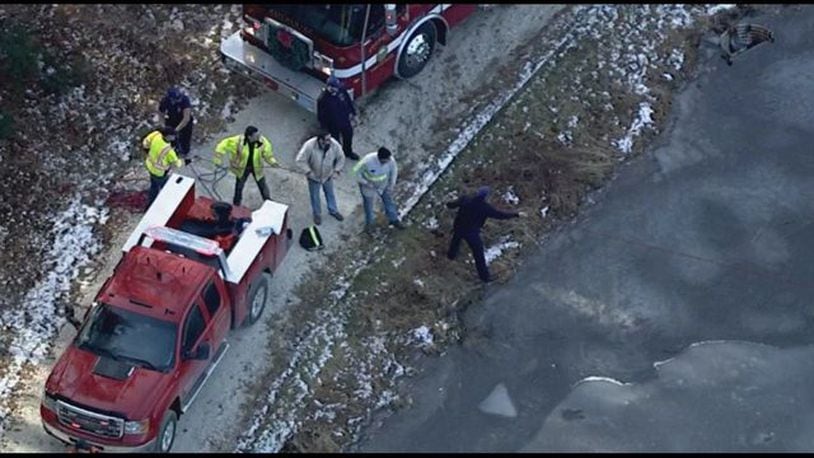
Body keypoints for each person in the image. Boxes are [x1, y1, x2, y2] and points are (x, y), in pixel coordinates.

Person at [446, 186, 523, 283]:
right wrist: (516, 214)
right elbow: (500, 215)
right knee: (478, 254)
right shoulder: (485, 208)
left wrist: (448, 203)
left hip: (458, 227)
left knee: (456, 240)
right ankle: (485, 277)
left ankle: (451, 256)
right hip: (471, 233)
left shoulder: (465, 200)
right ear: (486, 196)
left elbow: (451, 205)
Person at [213, 125, 278, 207]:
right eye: (256, 136)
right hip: (241, 168)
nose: (259, 137)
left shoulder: (262, 142)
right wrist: (217, 159)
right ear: (249, 136)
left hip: (256, 168)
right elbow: (222, 145)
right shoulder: (238, 141)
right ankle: (236, 204)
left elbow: (267, 154)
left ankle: (268, 201)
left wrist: (273, 162)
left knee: (262, 185)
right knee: (239, 187)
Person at [295, 131, 346, 225]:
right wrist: (308, 172)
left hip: (328, 175)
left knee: (330, 193)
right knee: (315, 196)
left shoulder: (334, 145)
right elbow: (299, 160)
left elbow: (341, 157)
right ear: (320, 140)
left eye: (329, 139)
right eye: (327, 140)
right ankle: (317, 214)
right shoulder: (309, 146)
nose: (329, 142)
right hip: (314, 177)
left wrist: (337, 170)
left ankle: (333, 210)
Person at [353, 147, 405, 234]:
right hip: (368, 187)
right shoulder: (366, 161)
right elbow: (355, 172)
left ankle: (394, 219)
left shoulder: (390, 160)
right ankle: (370, 225)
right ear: (380, 158)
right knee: (369, 206)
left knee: (389, 201)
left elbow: (394, 170)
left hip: (383, 185)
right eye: (386, 160)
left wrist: (392, 184)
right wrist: (365, 183)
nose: (389, 161)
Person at [317, 76, 359, 161]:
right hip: (333, 126)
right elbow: (321, 116)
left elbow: (348, 101)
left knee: (348, 137)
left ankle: (348, 152)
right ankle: (337, 156)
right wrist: (325, 130)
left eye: (337, 87)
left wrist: (354, 114)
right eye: (335, 88)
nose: (337, 89)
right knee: (335, 143)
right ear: (329, 87)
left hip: (345, 121)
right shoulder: (323, 99)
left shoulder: (341, 90)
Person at [142, 126, 185, 208]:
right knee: (166, 188)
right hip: (160, 173)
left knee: (154, 186)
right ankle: (169, 205)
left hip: (149, 166)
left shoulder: (156, 134)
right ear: (167, 136)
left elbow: (145, 143)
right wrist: (186, 161)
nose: (174, 137)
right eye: (173, 136)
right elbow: (177, 164)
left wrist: (149, 152)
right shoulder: (168, 151)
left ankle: (150, 203)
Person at [158, 86, 194, 157]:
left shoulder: (185, 99)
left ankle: (185, 154)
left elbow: (186, 118)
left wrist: (176, 130)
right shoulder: (165, 100)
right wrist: (163, 126)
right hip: (171, 120)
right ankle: (171, 155)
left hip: (184, 122)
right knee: (170, 141)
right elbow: (161, 114)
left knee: (185, 142)